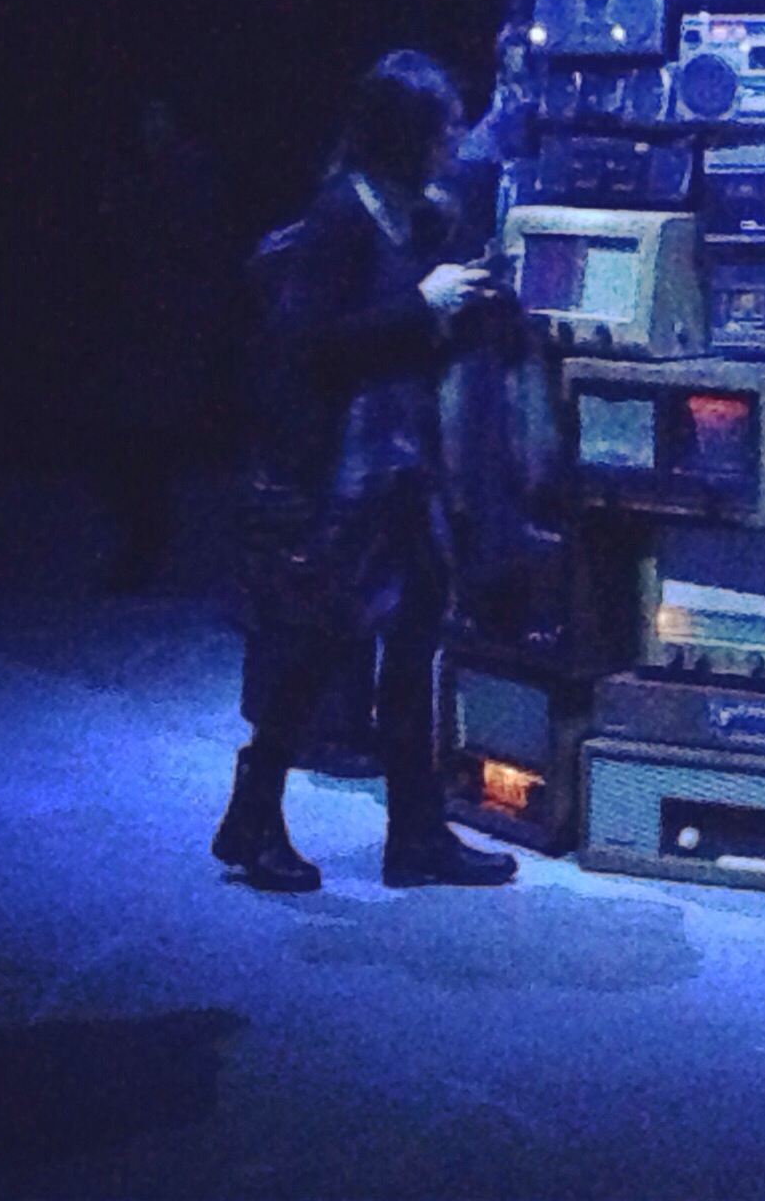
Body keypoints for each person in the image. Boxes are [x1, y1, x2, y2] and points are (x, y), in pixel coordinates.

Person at [211, 50, 518, 893]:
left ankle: (415, 833)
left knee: (414, 640)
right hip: (345, 473)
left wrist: (466, 308)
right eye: (444, 126)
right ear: (405, 134)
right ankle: (253, 813)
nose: (456, 139)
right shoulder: (344, 213)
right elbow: (310, 345)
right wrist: (424, 304)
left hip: (401, 465)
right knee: (319, 642)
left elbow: (408, 340)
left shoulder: (416, 212)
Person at [87, 98, 230, 593]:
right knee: (125, 436)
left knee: (149, 436)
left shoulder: (190, 172)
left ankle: (148, 543)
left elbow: (191, 241)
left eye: (159, 115)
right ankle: (140, 538)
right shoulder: (131, 171)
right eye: (145, 116)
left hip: (170, 324)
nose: (150, 126)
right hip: (133, 324)